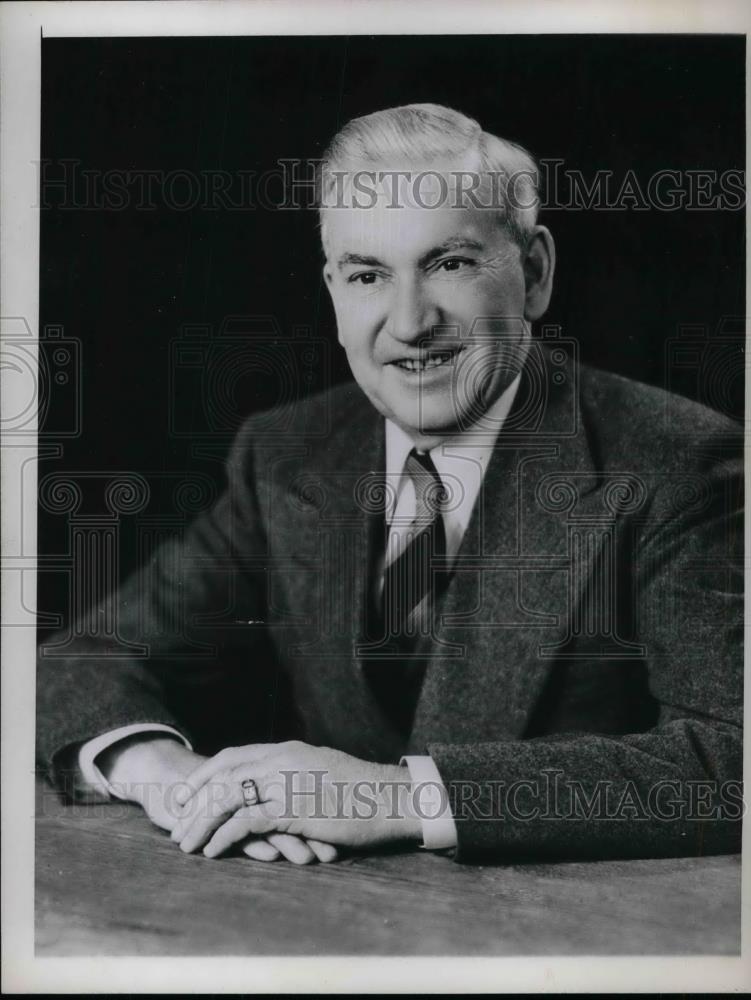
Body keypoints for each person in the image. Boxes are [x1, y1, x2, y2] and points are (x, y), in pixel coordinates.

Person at [37, 103, 743, 866]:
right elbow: (79, 659)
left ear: (534, 272)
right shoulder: (286, 453)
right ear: (334, 290)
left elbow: (730, 763)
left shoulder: (680, 461)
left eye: (449, 263)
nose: (409, 322)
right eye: (368, 274)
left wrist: (391, 795)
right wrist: (171, 779)